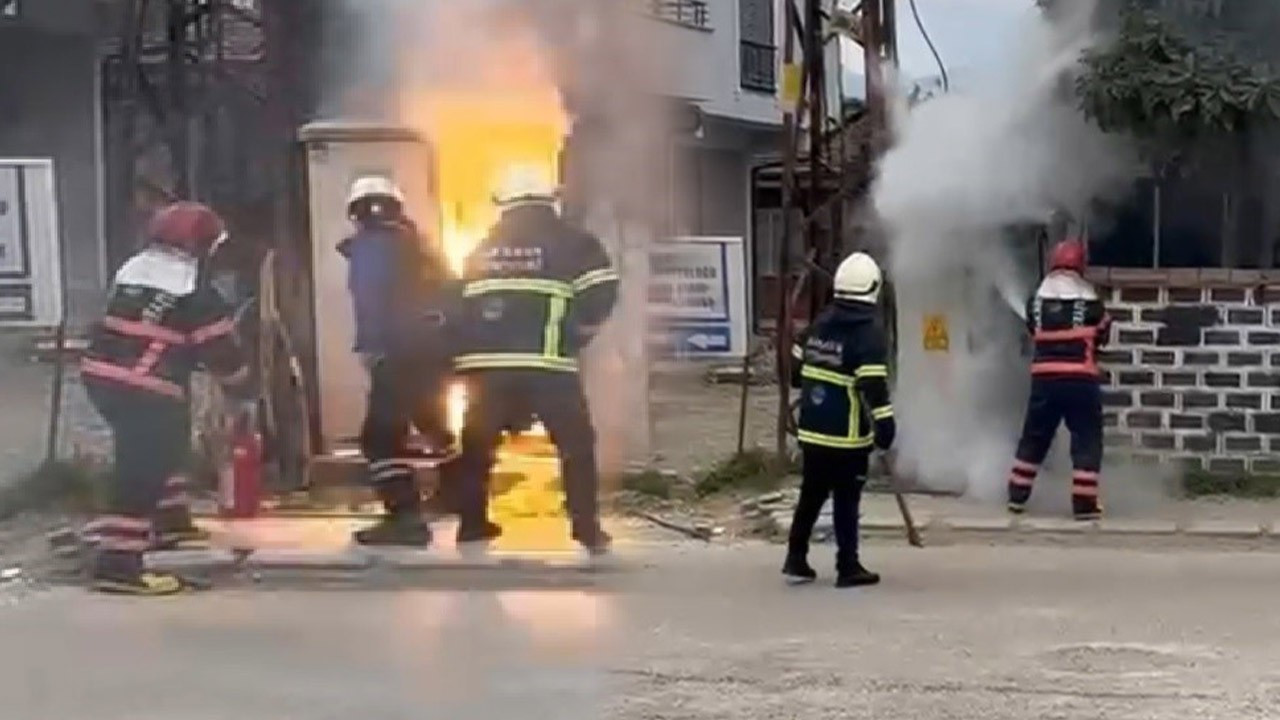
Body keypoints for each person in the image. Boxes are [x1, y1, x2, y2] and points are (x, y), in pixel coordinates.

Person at [80, 202, 253, 595]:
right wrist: (243, 388)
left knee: (167, 443)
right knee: (142, 467)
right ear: (201, 245)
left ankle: (171, 521)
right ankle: (118, 563)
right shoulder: (194, 290)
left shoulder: (134, 270)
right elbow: (221, 353)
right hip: (145, 385)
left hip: (102, 378)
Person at [451, 167, 619, 552]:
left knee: (477, 448)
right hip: (548, 366)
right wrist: (578, 334)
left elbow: (460, 306)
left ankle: (471, 524)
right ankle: (586, 529)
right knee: (575, 445)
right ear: (549, 200)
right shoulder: (574, 243)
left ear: (504, 205)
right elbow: (602, 290)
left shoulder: (481, 249)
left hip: (487, 370)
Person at [340, 176, 456, 547]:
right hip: (434, 354)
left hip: (396, 352)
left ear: (356, 213)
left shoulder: (371, 247)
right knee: (434, 427)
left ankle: (405, 518)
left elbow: (372, 302)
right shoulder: (420, 246)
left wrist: (373, 350)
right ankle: (459, 495)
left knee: (380, 438)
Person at [783, 252, 896, 588]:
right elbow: (874, 386)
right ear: (873, 288)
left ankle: (795, 558)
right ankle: (848, 566)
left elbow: (794, 370)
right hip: (847, 437)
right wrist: (885, 426)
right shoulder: (868, 332)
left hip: (811, 430)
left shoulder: (821, 322)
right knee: (847, 501)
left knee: (811, 495)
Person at [1006, 237, 1111, 520]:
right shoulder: (1092, 304)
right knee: (1086, 438)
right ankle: (1084, 504)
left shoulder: (1035, 303)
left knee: (1034, 437)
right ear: (1080, 266)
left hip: (1044, 381)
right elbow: (1103, 334)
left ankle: (1016, 496)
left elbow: (1033, 331)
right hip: (1080, 381)